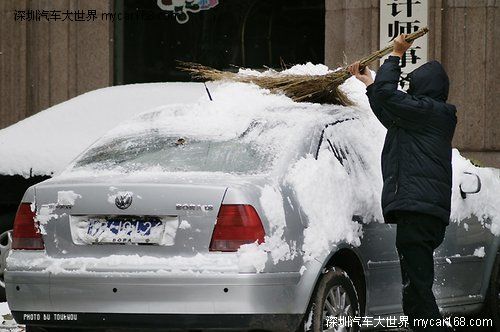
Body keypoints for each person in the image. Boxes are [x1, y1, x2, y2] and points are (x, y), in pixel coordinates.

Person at [348, 34, 457, 331]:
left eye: (411, 85)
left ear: (425, 88)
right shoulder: (422, 116)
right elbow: (388, 107)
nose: (407, 90)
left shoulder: (429, 111)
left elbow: (390, 97)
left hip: (419, 211)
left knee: (418, 288)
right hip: (420, 210)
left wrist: (396, 55)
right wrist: (370, 83)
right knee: (415, 287)